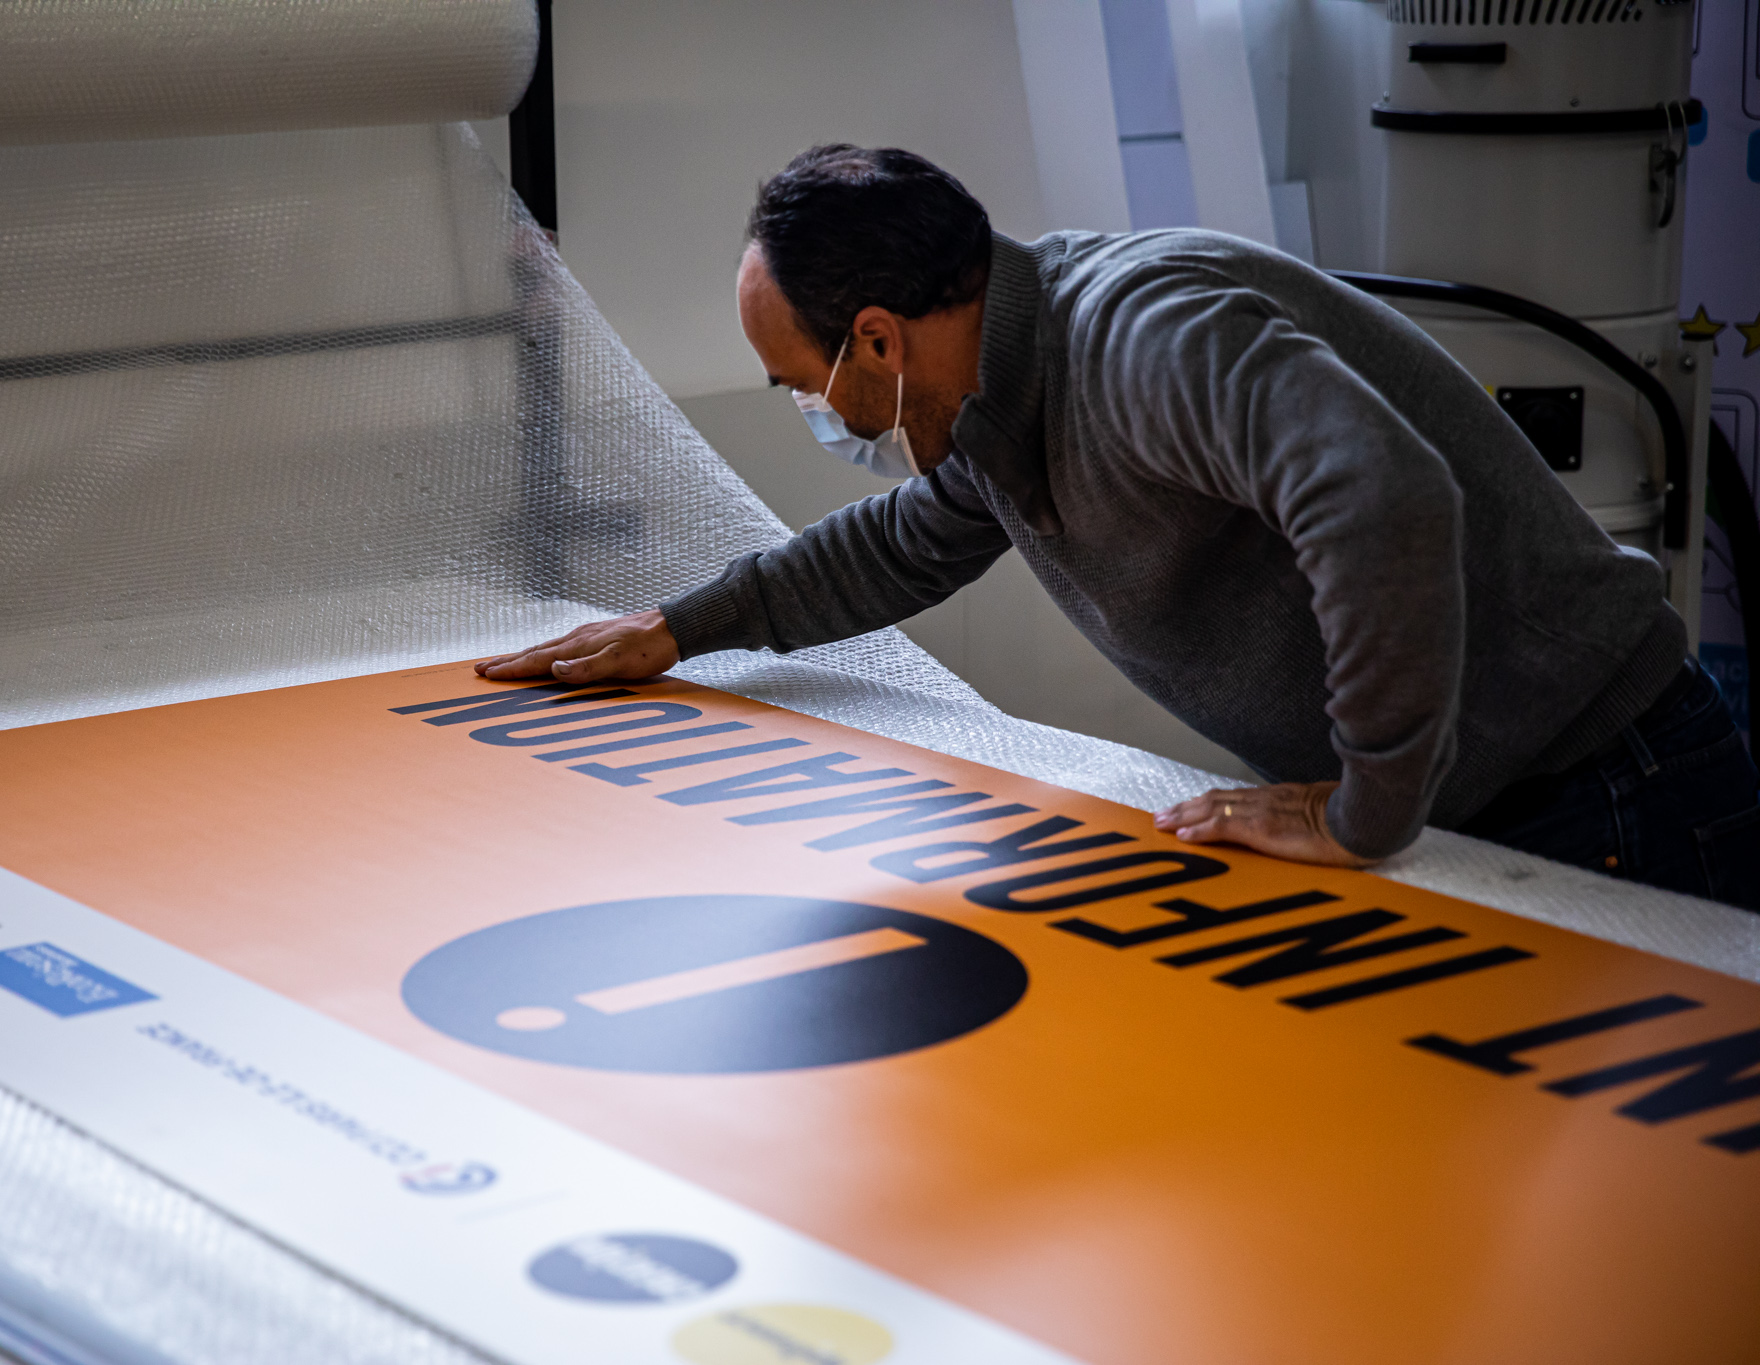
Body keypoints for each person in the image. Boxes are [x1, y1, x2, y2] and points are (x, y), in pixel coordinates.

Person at [479, 144, 1760, 910]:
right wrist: (681, 628)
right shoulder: (995, 405)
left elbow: (1381, 494)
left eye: (805, 383)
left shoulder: (1135, 334)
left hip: (1607, 786)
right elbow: (900, 545)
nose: (816, 410)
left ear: (876, 337)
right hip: (1481, 793)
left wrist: (1364, 810)